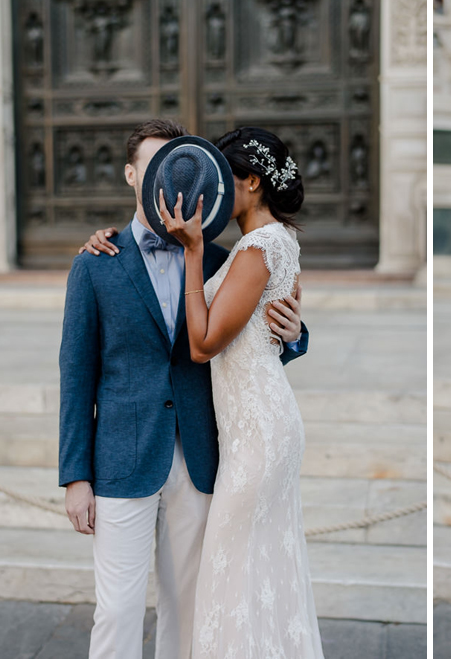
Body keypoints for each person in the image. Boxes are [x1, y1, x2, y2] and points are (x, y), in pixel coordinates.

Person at [59, 119, 306, 659]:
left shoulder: (219, 257)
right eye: (152, 166)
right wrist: (76, 476)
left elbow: (258, 321)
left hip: (202, 455)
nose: (167, 178)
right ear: (132, 175)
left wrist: (295, 335)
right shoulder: (96, 263)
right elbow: (76, 377)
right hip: (122, 457)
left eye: (178, 165)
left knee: (191, 607)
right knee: (118, 609)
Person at [158, 127, 323, 658]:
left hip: (258, 429)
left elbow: (204, 344)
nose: (213, 195)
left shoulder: (260, 245)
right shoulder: (272, 241)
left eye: (224, 180)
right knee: (255, 568)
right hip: (254, 421)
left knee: (231, 566)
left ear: (252, 182)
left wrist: (191, 254)